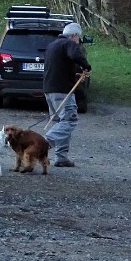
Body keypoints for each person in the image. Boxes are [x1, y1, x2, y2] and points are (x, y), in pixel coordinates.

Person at [42, 22, 91, 167]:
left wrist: (74, 73)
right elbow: (75, 54)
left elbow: (60, 66)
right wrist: (86, 66)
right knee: (69, 121)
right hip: (63, 91)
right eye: (78, 38)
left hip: (49, 90)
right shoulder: (68, 43)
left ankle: (61, 157)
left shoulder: (53, 45)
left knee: (59, 122)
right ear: (74, 35)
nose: (78, 42)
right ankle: (45, 141)